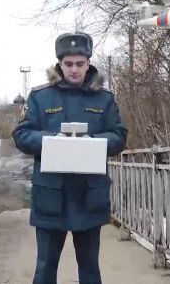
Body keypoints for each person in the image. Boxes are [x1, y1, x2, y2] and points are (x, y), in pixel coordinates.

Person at [12, 31, 127, 284]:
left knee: (90, 271)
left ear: (88, 63)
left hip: (89, 197)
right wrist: (53, 142)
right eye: (68, 64)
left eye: (80, 64)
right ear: (59, 64)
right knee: (44, 270)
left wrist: (92, 144)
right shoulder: (40, 97)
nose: (74, 70)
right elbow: (21, 134)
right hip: (51, 197)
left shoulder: (104, 99)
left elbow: (119, 136)